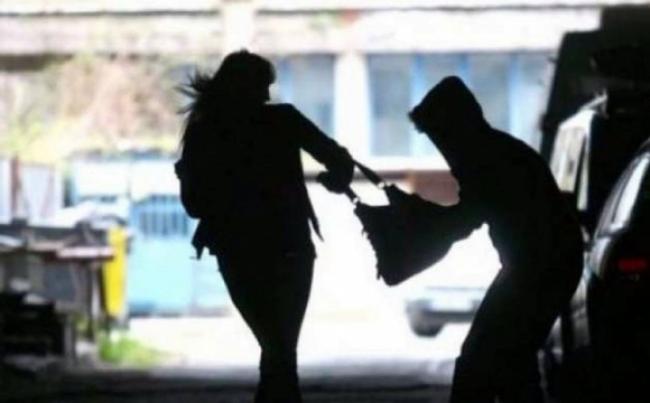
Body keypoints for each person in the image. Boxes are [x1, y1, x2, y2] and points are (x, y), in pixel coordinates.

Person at [177, 50, 353, 403]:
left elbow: (193, 204)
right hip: (291, 247)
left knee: (276, 347)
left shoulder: (204, 130)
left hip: (237, 251)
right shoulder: (283, 120)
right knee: (281, 349)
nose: (268, 95)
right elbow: (340, 161)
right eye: (263, 87)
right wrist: (333, 180)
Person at [408, 76, 584, 402]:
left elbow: (463, 220)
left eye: (440, 136)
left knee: (477, 364)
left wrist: (407, 220)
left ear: (456, 126)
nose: (442, 149)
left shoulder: (486, 159)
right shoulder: (496, 150)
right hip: (545, 266)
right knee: (514, 365)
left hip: (539, 269)